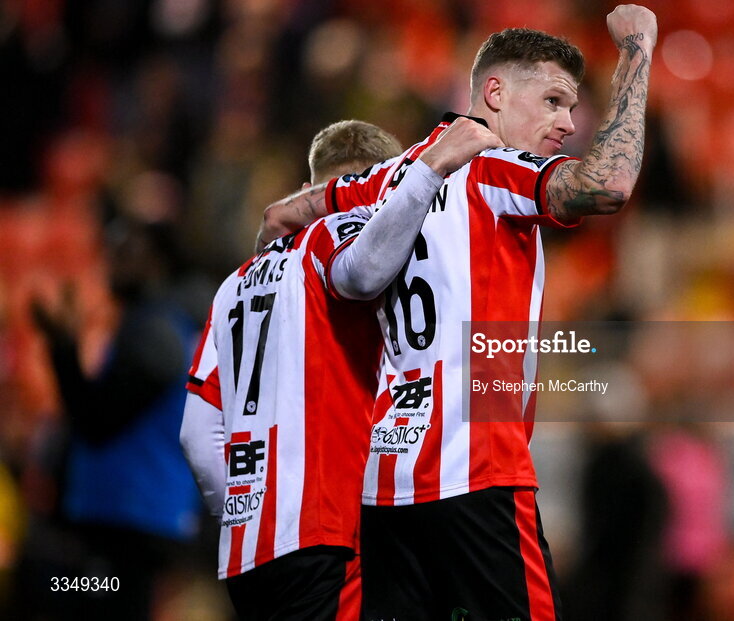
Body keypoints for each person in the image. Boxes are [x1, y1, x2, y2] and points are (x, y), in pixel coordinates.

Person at [258, 5, 657, 620]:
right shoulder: (495, 168)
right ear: (493, 93)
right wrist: (636, 50)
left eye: (572, 108)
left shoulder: (387, 177)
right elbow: (608, 184)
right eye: (553, 101)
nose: (567, 123)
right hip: (476, 472)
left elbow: (280, 217)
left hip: (384, 482)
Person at [179, 118, 500, 621]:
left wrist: (246, 514)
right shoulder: (332, 235)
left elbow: (197, 436)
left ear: (307, 189)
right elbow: (365, 270)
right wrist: (429, 169)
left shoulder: (233, 284)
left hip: (246, 554)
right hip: (324, 534)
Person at [25, 216, 204, 621]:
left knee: (85, 598)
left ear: (157, 262)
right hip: (126, 521)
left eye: (127, 252)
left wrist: (64, 353)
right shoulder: (145, 326)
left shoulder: (156, 332)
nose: (113, 261)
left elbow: (96, 422)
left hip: (132, 524)